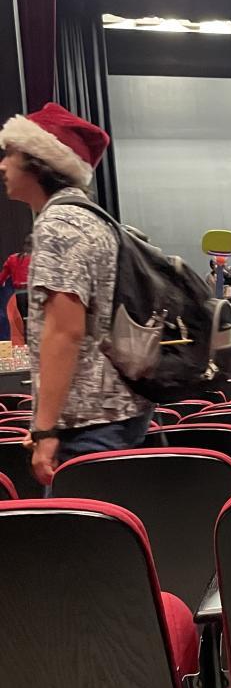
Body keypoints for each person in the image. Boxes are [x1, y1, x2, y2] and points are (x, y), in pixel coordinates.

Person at [0, 102, 153, 485]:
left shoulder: (58, 225)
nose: (2, 165)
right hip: (114, 413)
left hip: (89, 425)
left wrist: (46, 429)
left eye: (10, 154)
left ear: (38, 162)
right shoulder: (91, 217)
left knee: (83, 523)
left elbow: (64, 332)